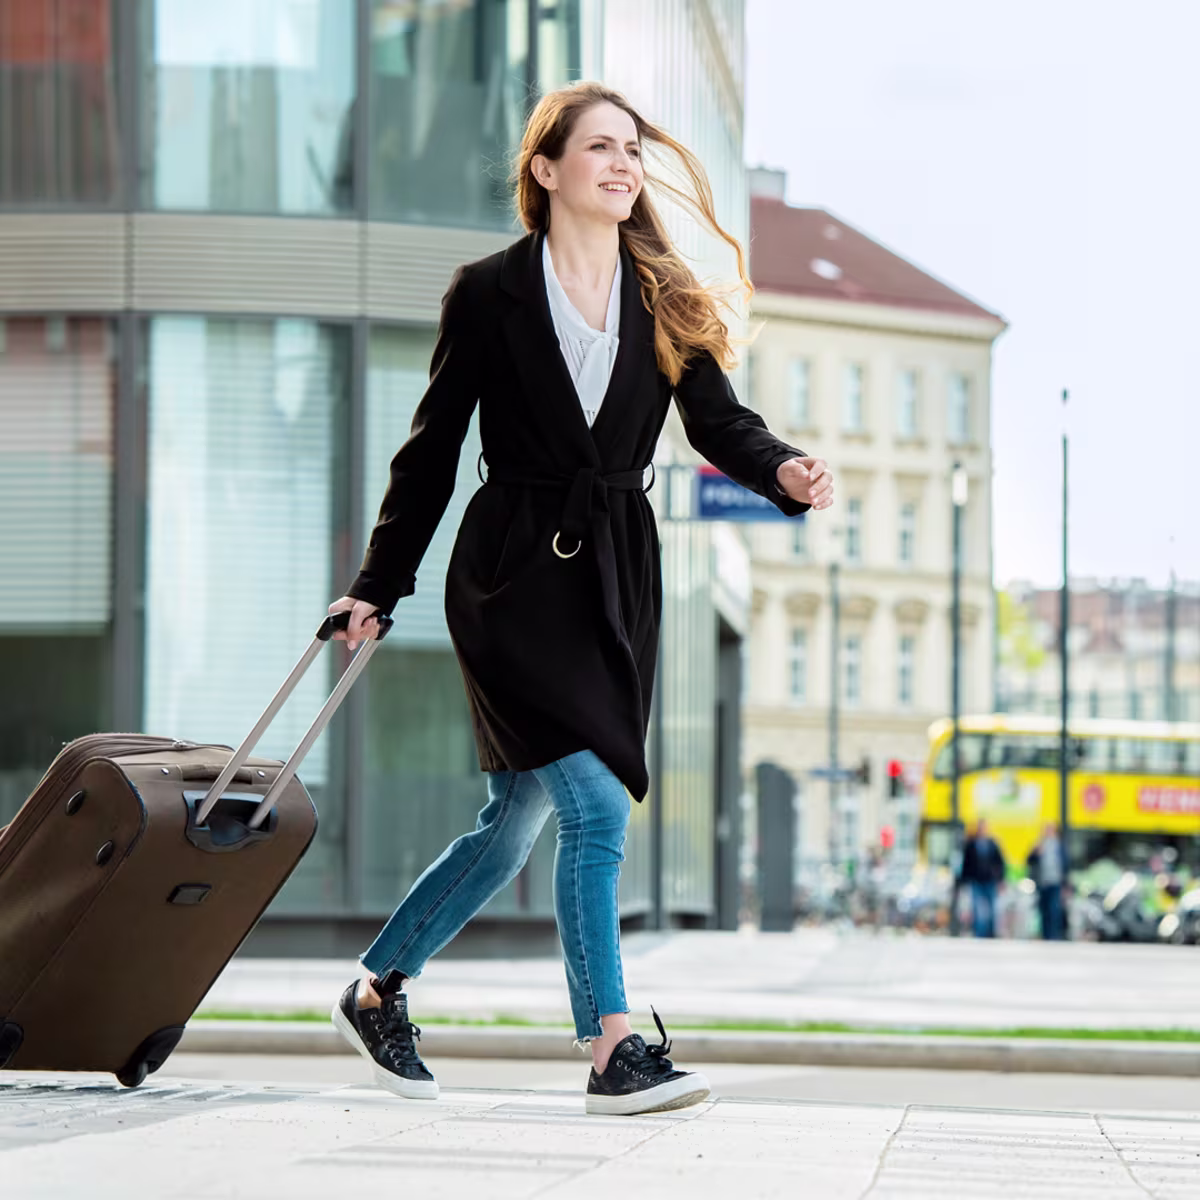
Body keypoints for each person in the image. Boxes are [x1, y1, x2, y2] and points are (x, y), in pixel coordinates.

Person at [323, 82, 835, 1116]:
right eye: (599, 147)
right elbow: (429, 455)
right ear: (545, 169)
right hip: (508, 574)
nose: (623, 164)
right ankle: (610, 1047)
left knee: (515, 822)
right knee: (597, 810)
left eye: (633, 150)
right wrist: (377, 585)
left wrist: (781, 470)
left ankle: (378, 987)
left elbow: (719, 423)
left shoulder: (666, 291)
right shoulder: (488, 292)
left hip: (613, 576)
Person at [958, 818, 1006, 938]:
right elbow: (966, 864)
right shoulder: (971, 844)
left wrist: (1000, 880)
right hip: (976, 881)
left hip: (990, 880)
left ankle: (991, 933)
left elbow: (1000, 863)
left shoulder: (993, 844)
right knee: (977, 908)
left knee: (993, 909)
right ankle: (979, 933)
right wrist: (964, 881)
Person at [1026, 822, 1068, 940]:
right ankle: (1045, 934)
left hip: (1055, 881)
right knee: (1043, 909)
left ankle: (1054, 935)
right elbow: (1029, 860)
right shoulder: (1039, 844)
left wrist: (1065, 883)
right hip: (1042, 882)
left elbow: (1065, 865)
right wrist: (1035, 853)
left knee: (1054, 909)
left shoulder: (1059, 845)